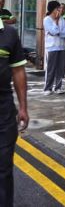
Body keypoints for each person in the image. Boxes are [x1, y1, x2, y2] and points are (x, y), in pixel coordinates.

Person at [0, 14, 29, 207]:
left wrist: (23, 107)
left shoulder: (9, 34)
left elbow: (18, 71)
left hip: (3, 112)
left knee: (3, 169)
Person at [43, 1, 65, 95]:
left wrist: (57, 32)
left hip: (61, 46)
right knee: (51, 68)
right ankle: (47, 88)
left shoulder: (62, 19)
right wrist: (56, 22)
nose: (60, 10)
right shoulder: (47, 19)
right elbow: (54, 31)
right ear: (53, 9)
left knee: (60, 68)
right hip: (51, 47)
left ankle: (58, 87)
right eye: (58, 8)